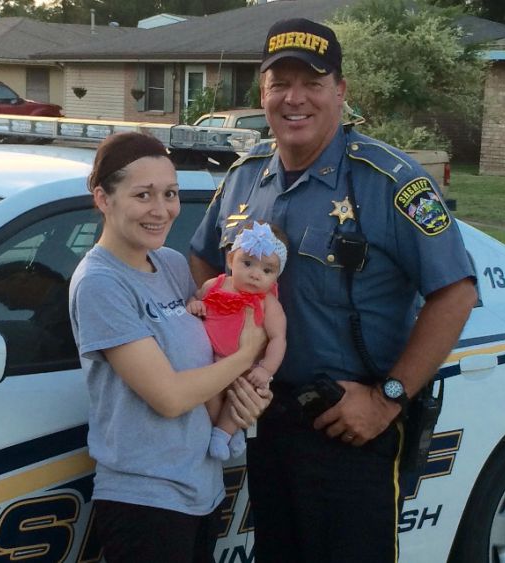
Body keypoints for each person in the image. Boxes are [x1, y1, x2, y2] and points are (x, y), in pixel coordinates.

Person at [189, 18, 478, 563]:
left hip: (352, 424)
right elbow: (203, 258)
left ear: (340, 92)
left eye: (313, 83)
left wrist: (387, 399)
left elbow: (456, 291)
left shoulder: (390, 181)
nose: (294, 99)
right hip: (266, 419)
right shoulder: (244, 177)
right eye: (280, 84)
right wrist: (224, 333)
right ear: (263, 92)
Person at [68, 132, 272, 563]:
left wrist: (247, 398)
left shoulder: (172, 265)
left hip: (201, 488)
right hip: (145, 500)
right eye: (143, 195)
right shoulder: (100, 284)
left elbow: (207, 362)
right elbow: (171, 397)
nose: (161, 210)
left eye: (170, 194)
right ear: (104, 198)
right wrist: (244, 356)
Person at [187, 221, 288, 460]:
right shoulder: (215, 285)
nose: (255, 274)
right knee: (210, 394)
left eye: (267, 270)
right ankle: (225, 433)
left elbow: (278, 339)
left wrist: (266, 369)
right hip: (210, 362)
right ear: (232, 260)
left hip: (245, 368)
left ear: (276, 277)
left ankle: (223, 434)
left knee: (241, 396)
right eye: (248, 263)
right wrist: (195, 304)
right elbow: (195, 296)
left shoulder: (269, 303)